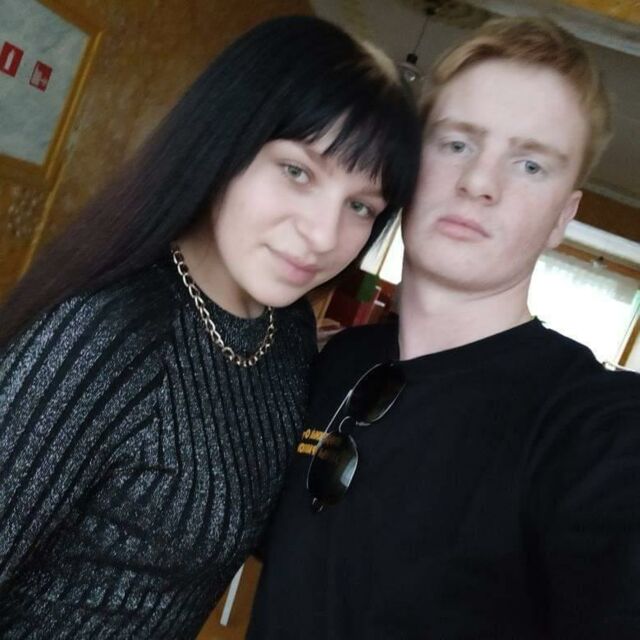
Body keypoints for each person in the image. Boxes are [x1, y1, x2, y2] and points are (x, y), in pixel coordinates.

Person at [0, 16, 421, 639]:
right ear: (226, 141)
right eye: (298, 171)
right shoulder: (105, 335)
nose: (323, 235)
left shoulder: (286, 335)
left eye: (360, 206)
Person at [247, 16, 640, 640]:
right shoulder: (336, 363)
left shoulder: (597, 427)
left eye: (530, 165)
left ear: (562, 219)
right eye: (457, 144)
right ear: (410, 166)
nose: (479, 182)